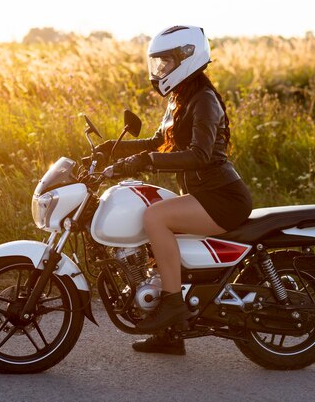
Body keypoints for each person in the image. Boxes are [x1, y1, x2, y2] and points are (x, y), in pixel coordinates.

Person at [95, 25, 253, 355]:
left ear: (186, 59)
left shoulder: (204, 101)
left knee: (155, 218)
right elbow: (159, 142)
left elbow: (200, 155)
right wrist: (114, 148)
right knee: (150, 230)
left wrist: (142, 162)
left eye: (166, 62)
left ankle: (172, 306)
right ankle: (171, 333)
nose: (161, 70)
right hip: (203, 195)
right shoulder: (181, 99)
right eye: (158, 63)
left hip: (221, 198)